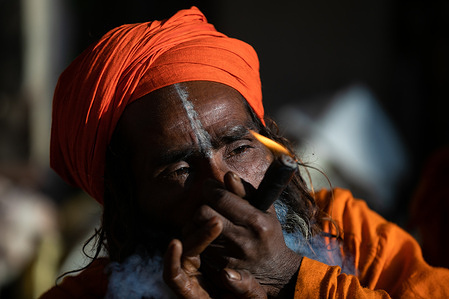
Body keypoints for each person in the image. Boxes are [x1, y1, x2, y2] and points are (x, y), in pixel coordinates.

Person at [40, 6, 449, 299]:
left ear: (270, 144)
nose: (223, 187)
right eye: (178, 169)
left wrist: (288, 276)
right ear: (126, 200)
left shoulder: (348, 231)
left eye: (238, 147)